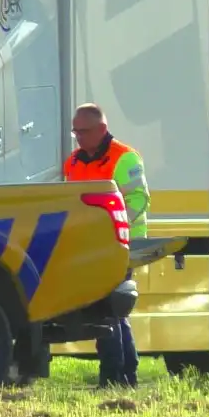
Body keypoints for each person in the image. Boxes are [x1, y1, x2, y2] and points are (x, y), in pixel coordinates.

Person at [63, 103, 150, 388]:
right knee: (108, 308)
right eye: (75, 131)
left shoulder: (125, 158)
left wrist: (112, 230)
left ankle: (116, 374)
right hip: (90, 247)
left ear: (101, 129)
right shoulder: (73, 161)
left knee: (111, 305)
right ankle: (122, 375)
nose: (78, 137)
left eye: (84, 131)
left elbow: (138, 200)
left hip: (121, 245)